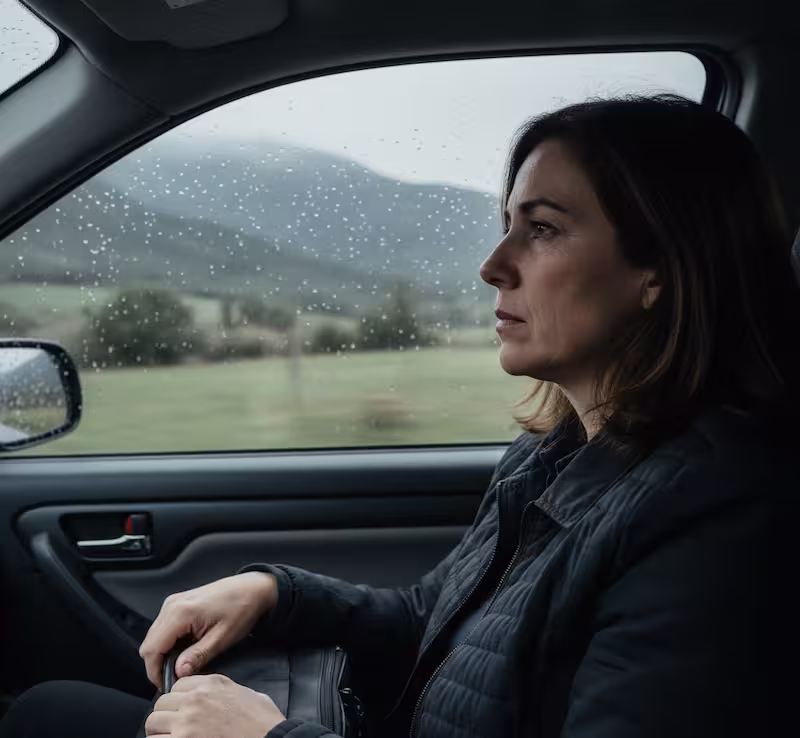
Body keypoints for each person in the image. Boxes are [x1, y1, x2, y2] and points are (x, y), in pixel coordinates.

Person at [2, 94, 798, 738]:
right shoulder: (556, 455)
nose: (493, 265)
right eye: (508, 224)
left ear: (658, 270)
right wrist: (277, 592)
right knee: (46, 711)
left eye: (544, 229)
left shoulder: (719, 517)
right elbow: (439, 626)